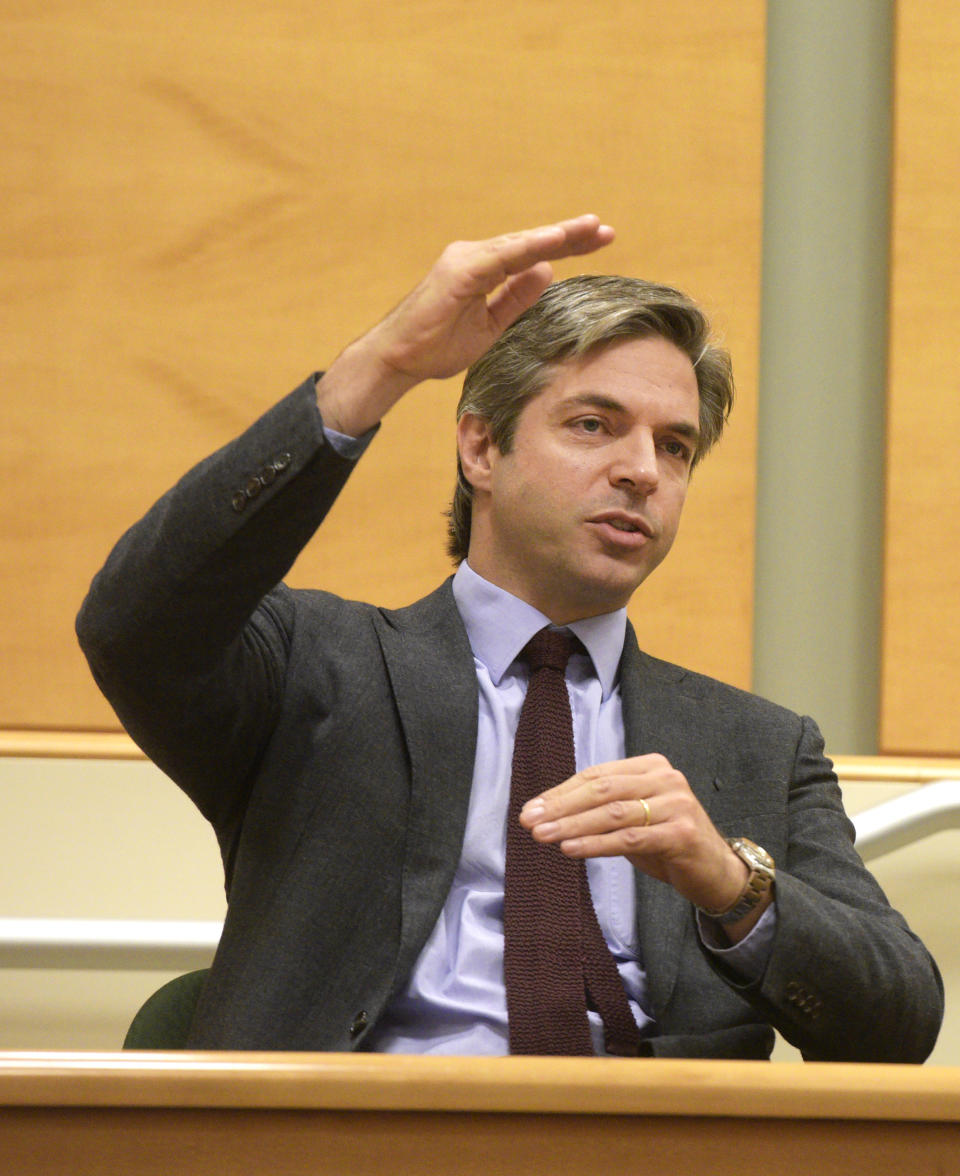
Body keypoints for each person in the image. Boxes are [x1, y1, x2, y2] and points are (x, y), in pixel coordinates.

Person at [77, 215, 942, 1060]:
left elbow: (899, 1021)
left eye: (674, 446)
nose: (643, 469)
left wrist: (731, 884)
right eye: (594, 424)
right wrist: (376, 370)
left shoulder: (759, 746)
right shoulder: (313, 667)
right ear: (482, 450)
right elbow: (134, 622)